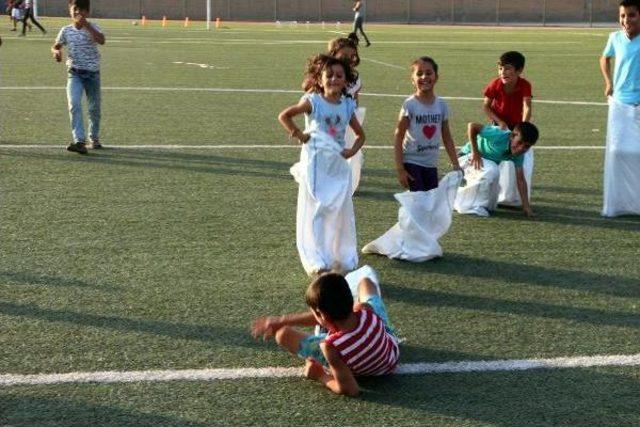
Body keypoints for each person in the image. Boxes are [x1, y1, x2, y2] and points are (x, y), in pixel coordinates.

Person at [251, 266, 399, 396]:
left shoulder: (330, 346)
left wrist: (320, 376)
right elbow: (328, 316)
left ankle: (328, 328)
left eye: (316, 314)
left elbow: (351, 389)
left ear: (321, 315)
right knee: (366, 283)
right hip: (391, 357)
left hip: (359, 369)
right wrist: (283, 320)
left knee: (283, 335)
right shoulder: (366, 311)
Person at [278, 54, 365, 276]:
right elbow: (285, 116)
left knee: (338, 209)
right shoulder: (313, 102)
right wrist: (298, 134)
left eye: (339, 76)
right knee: (320, 207)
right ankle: (318, 257)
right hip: (316, 165)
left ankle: (339, 254)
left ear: (346, 81)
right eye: (329, 75)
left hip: (337, 166)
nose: (334, 79)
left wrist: (352, 151)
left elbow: (360, 135)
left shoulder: (347, 105)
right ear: (320, 79)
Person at [394, 56, 461, 192]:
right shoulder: (410, 105)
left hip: (431, 164)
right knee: (420, 202)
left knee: (431, 202)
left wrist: (456, 164)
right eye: (419, 74)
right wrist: (400, 169)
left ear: (436, 77)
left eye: (429, 73)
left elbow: (447, 137)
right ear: (412, 80)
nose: (424, 77)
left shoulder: (441, 105)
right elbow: (398, 136)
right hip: (412, 162)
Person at [600, 0, 640, 217]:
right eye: (623, 16)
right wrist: (608, 83)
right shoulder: (615, 38)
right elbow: (604, 58)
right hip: (620, 103)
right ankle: (618, 205)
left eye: (632, 15)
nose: (626, 20)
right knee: (616, 153)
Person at [52, 0, 105, 155]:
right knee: (74, 103)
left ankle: (94, 138)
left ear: (87, 13)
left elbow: (101, 40)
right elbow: (56, 45)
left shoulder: (93, 27)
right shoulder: (66, 30)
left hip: (92, 74)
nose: (78, 13)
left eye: (81, 10)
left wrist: (87, 26)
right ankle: (79, 141)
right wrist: (56, 52)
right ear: (70, 11)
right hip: (74, 73)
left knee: (94, 109)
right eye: (75, 10)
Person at [454, 122, 539, 218]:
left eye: (526, 146)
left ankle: (474, 202)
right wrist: (475, 152)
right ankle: (472, 207)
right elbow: (472, 126)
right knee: (492, 170)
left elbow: (521, 180)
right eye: (519, 142)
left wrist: (526, 207)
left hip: (483, 164)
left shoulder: (519, 155)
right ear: (512, 136)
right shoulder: (498, 135)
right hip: (465, 157)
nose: (521, 148)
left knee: (492, 202)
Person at [483, 51, 532, 130]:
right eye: (500, 68)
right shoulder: (494, 84)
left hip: (517, 124)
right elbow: (486, 106)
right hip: (498, 124)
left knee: (518, 141)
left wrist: (522, 126)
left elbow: (527, 107)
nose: (502, 72)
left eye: (507, 69)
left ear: (519, 70)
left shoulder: (525, 85)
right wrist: (500, 122)